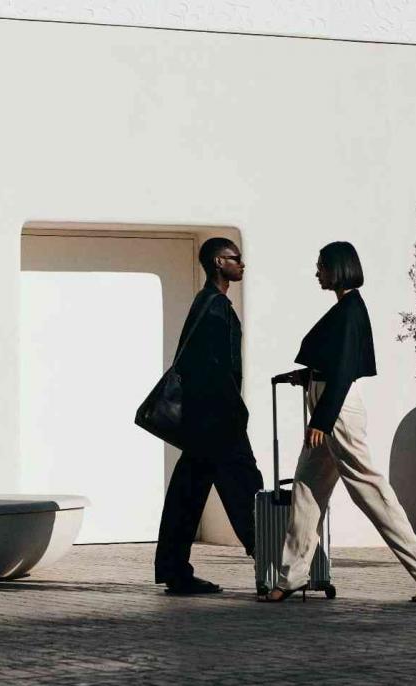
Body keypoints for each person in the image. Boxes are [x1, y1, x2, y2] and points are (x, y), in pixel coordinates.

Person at [260, 241, 416, 603]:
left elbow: (345, 371)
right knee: (306, 490)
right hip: (327, 403)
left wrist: (322, 418)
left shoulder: (350, 310)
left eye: (321, 265)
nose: (317, 272)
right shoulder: (346, 308)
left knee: (367, 488)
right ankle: (290, 578)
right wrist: (306, 376)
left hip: (336, 410)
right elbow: (334, 363)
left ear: (338, 268)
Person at [154, 237, 264, 595]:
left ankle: (174, 569)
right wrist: (236, 412)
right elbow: (218, 369)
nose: (242, 264)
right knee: (246, 488)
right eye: (237, 258)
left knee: (187, 493)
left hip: (203, 421)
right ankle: (274, 564)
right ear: (219, 262)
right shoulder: (215, 308)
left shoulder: (205, 304)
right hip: (220, 420)